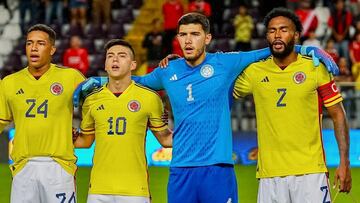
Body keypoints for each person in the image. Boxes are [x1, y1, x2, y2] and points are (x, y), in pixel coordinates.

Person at [74, 13, 340, 203]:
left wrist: (307, 48)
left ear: (208, 38)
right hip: (180, 169)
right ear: (177, 38)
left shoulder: (225, 63)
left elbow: (267, 50)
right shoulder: (168, 71)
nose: (188, 41)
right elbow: (137, 82)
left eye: (195, 35)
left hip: (218, 168)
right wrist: (100, 80)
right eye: (183, 35)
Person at [233, 8, 352, 202]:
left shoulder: (315, 68)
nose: (277, 35)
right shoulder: (254, 72)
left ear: (296, 35)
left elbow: (338, 114)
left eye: (283, 29)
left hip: (311, 172)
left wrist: (344, 161)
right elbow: (221, 89)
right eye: (272, 31)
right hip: (269, 175)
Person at [73, 39, 172, 203]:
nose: (115, 59)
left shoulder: (150, 98)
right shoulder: (91, 100)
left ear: (133, 65)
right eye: (110, 56)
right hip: (98, 190)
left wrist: (197, 135)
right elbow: (85, 141)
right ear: (105, 64)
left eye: (121, 55)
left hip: (135, 190)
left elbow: (165, 139)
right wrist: (64, 135)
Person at [0, 24, 85, 203]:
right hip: (23, 167)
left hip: (59, 167)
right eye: (29, 43)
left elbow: (97, 106)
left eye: (40, 43)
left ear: (52, 49)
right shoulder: (9, 83)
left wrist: (85, 132)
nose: (34, 48)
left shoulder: (71, 77)